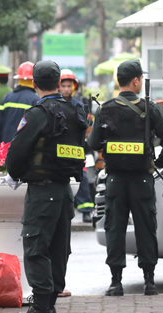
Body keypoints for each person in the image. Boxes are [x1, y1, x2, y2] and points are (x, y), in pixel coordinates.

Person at [3, 60, 87, 313]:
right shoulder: (74, 109)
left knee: (36, 246)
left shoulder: (38, 113)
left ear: (35, 84)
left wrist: (14, 173)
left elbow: (17, 151)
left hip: (42, 190)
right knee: (59, 248)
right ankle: (48, 305)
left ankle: (40, 308)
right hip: (65, 190)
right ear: (59, 81)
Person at [87, 60, 163, 296]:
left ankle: (116, 282)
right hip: (142, 180)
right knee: (146, 228)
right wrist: (157, 164)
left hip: (115, 180)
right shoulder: (150, 108)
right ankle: (149, 282)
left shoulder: (105, 108)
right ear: (136, 81)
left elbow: (93, 143)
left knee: (114, 229)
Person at [60, 69, 94, 226]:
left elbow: (86, 125)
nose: (66, 89)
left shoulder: (79, 105)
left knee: (83, 177)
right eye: (64, 85)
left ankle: (86, 210)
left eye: (69, 85)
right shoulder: (54, 103)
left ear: (74, 86)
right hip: (59, 148)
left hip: (75, 148)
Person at [0, 61, 39, 144]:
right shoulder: (36, 100)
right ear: (34, 80)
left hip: (5, 146)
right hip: (24, 148)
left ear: (18, 79)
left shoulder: (7, 97)